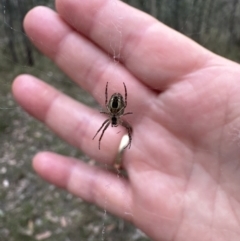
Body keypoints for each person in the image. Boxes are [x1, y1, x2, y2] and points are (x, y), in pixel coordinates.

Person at [12, 1, 240, 240]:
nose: (112, 121)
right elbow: (112, 121)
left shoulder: (119, 115)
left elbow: (120, 120)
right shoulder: (116, 116)